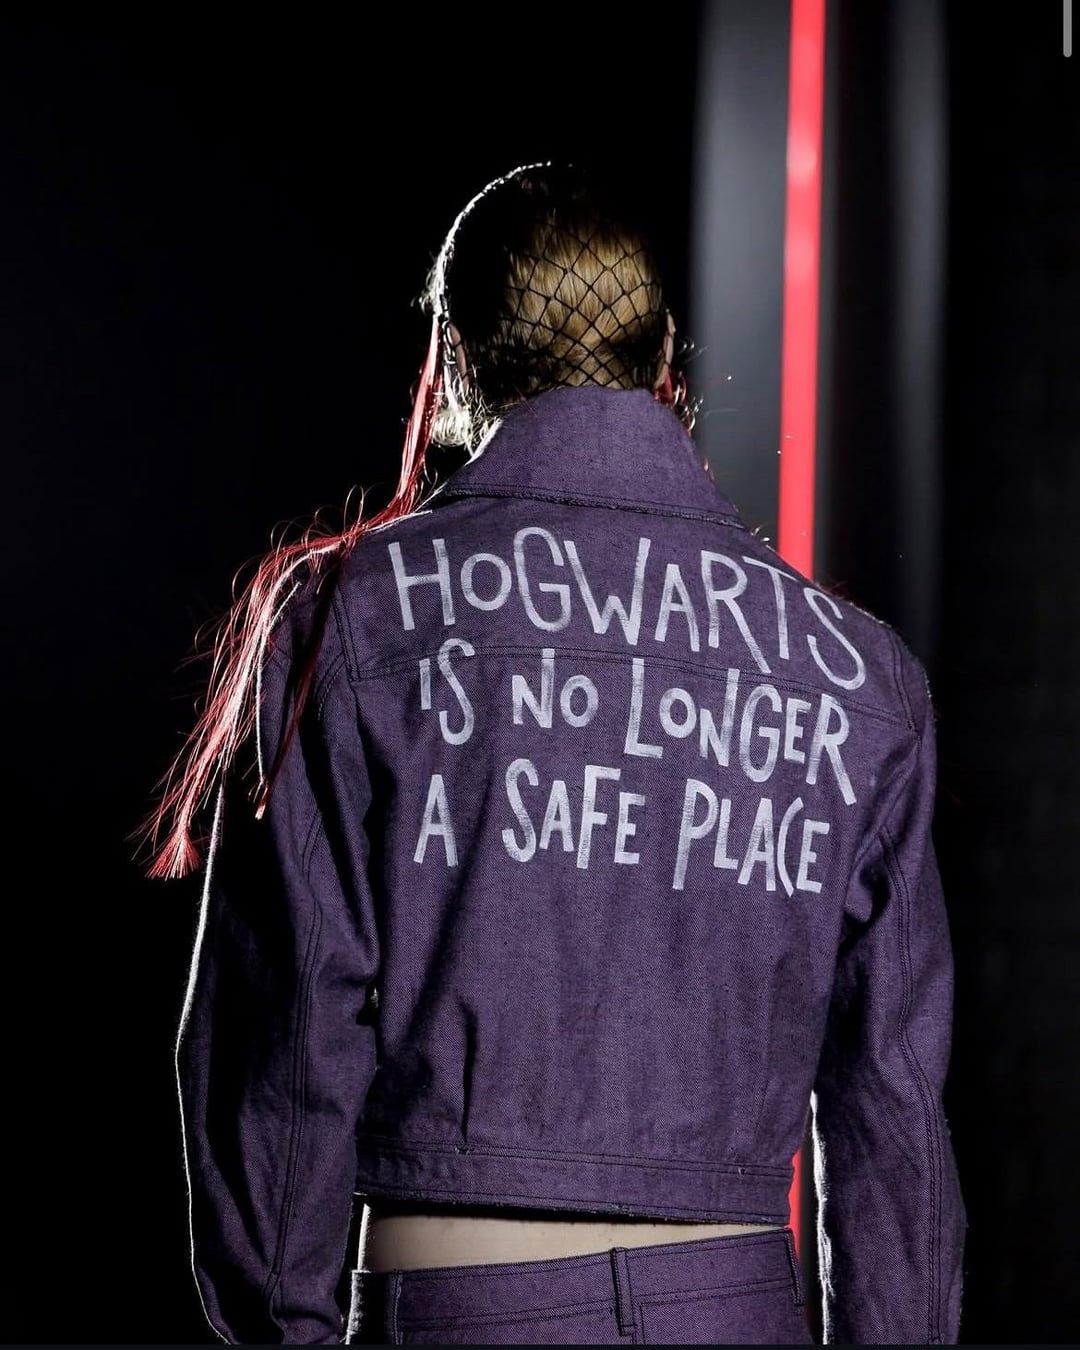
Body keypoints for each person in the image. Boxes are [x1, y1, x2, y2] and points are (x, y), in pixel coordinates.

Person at [142, 161, 966, 1345]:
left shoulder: (350, 620)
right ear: (665, 353)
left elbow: (280, 1044)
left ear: (453, 358)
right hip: (733, 1313)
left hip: (462, 1307)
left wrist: (284, 1327)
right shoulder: (860, 674)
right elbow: (893, 1105)